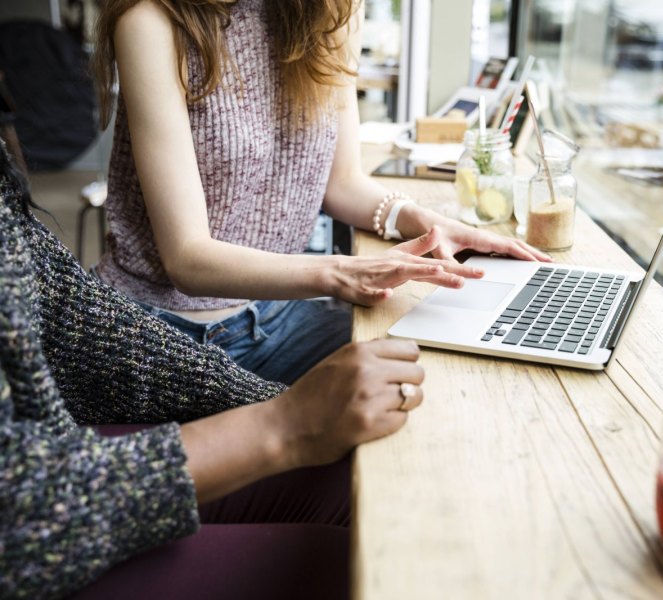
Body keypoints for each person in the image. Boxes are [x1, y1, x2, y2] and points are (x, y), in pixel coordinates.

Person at [0, 140, 423, 599]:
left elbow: (70, 315)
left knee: (360, 481)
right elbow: (18, 509)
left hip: (53, 452)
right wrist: (285, 423)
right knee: (348, 562)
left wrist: (272, 402)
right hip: (34, 521)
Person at [91, 0, 550, 384]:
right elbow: (187, 259)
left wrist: (425, 222)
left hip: (276, 315)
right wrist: (343, 273)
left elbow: (342, 182)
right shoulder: (150, 19)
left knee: (448, 366)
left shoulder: (330, 10)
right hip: (162, 335)